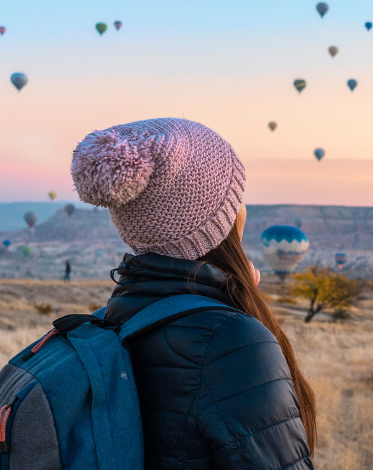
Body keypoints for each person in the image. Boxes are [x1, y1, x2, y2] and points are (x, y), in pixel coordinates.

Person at [71, 118, 315, 470]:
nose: (243, 206)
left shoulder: (116, 317)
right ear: (221, 217)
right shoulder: (230, 340)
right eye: (236, 196)